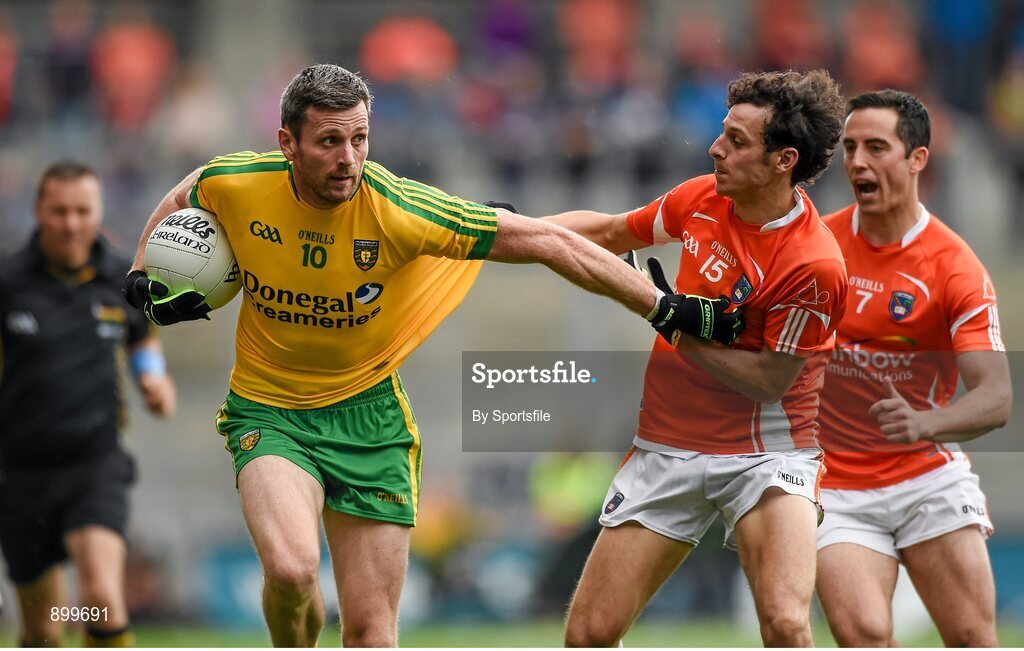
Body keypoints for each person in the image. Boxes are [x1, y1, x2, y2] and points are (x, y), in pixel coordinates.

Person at [121, 63, 735, 648]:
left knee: (371, 634)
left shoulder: (396, 208)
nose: (349, 159)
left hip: (371, 420)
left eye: (360, 139)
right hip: (269, 410)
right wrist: (142, 271)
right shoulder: (235, 182)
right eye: (330, 141)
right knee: (290, 569)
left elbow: (546, 239)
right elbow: (184, 195)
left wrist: (664, 307)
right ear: (287, 141)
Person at [541, 69, 848, 647]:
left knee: (785, 623)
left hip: (766, 456)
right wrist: (505, 229)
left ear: (783, 160)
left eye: (737, 140)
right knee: (587, 635)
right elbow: (608, 234)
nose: (716, 148)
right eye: (721, 133)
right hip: (667, 446)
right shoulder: (703, 197)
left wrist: (666, 317)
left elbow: (767, 383)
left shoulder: (813, 264)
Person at [815, 90, 1011, 647]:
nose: (857, 162)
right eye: (850, 148)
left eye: (876, 147)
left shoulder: (954, 267)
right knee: (863, 634)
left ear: (917, 159)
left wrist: (924, 424)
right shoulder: (816, 245)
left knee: (972, 637)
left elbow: (995, 398)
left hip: (927, 480)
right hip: (837, 485)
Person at [0, 161, 176, 647]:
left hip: (94, 465)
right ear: (38, 211)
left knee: (100, 602)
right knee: (43, 629)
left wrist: (153, 379)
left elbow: (142, 338)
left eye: (82, 211)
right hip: (21, 473)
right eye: (59, 211)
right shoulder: (9, 281)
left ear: (99, 213)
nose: (71, 223)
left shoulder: (122, 279)